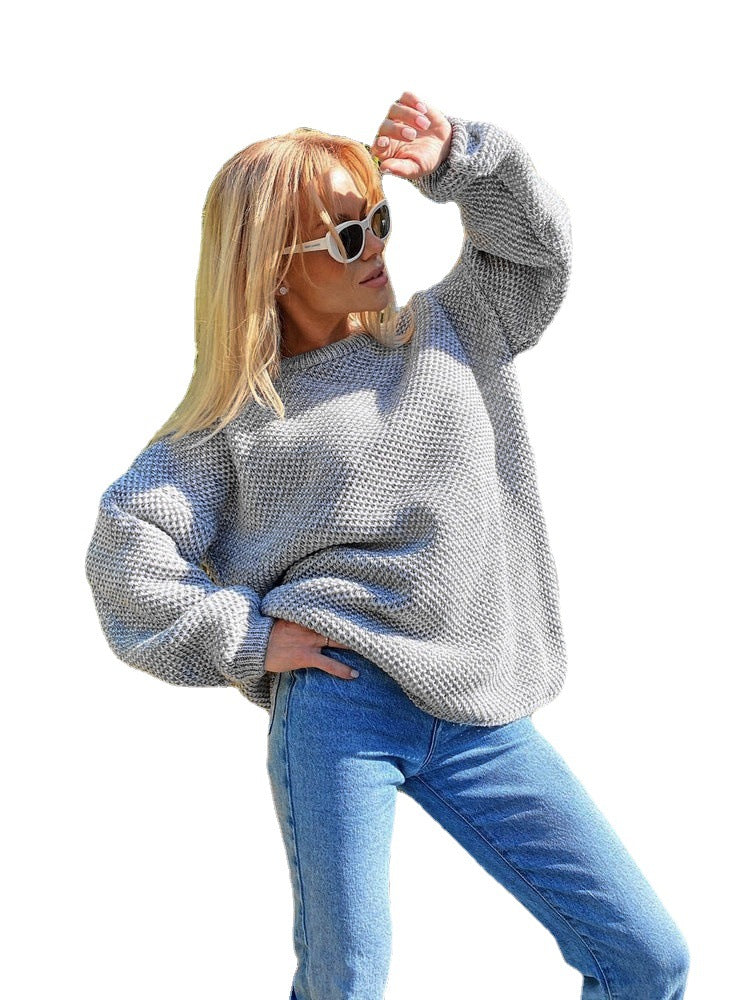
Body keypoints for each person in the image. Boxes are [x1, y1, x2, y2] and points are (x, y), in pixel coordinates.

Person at [84, 91, 691, 1000]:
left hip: (479, 701)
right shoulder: (237, 422)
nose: (375, 248)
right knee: (349, 982)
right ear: (271, 268)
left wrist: (464, 165)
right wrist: (249, 639)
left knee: (647, 958)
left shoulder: (452, 330)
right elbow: (126, 546)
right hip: (342, 706)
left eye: (378, 220)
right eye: (345, 236)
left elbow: (539, 254)